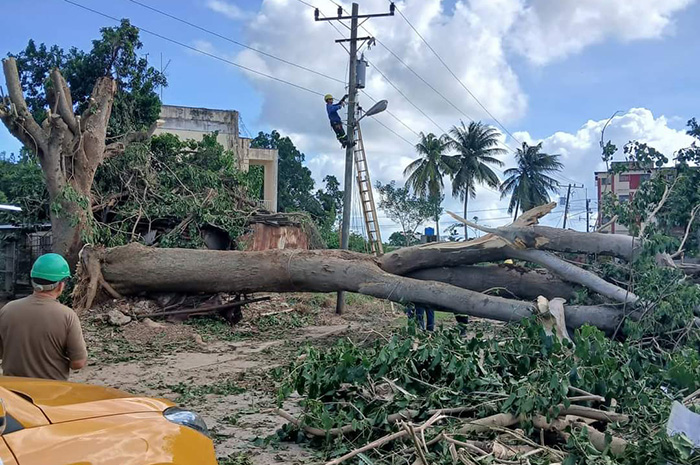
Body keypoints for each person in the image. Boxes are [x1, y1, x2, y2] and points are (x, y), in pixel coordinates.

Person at [0, 253, 87, 380]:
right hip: (51, 394)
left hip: (14, 394)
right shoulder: (67, 316)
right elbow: (78, 363)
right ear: (61, 285)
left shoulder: (7, 310)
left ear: (33, 281)